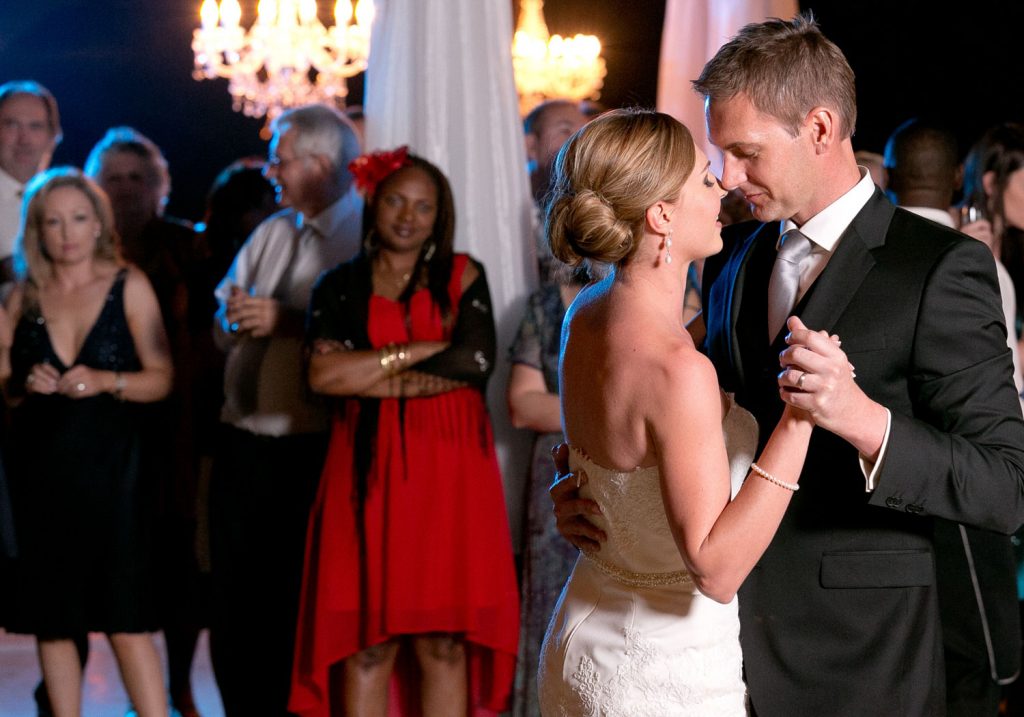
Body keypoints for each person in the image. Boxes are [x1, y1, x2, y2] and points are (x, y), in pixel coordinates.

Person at [553, 14, 1024, 716]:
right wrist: (603, 490)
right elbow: (675, 412)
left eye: (745, 153)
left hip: (858, 653)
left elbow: (1004, 485)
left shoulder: (940, 270)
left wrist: (866, 422)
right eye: (720, 156)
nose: (728, 178)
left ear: (821, 129)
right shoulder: (734, 255)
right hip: (710, 641)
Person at [536, 107, 815, 715]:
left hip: (584, 638)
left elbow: (611, 463)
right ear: (661, 215)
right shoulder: (679, 372)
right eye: (703, 180)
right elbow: (715, 571)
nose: (724, 188)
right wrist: (801, 419)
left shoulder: (585, 312)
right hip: (663, 675)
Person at [289, 149, 519, 717]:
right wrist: (415, 351)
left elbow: (475, 361)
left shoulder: (464, 273)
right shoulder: (338, 285)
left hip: (450, 475)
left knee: (441, 644)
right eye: (396, 200)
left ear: (439, 214)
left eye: (423, 205)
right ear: (374, 203)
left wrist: (367, 369)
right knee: (366, 646)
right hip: (361, 475)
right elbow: (322, 377)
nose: (408, 216)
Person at [0, 167, 173, 717]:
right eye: (53, 222)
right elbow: (4, 391)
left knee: (126, 621)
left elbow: (162, 378)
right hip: (42, 475)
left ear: (99, 224)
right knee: (54, 621)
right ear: (37, 230)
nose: (67, 232)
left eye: (78, 218)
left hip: (116, 476)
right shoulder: (20, 296)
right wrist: (22, 385)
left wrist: (107, 381)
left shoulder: (130, 283)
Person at [209, 103, 363, 717]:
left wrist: (285, 321)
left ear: (322, 164)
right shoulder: (274, 230)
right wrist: (233, 317)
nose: (270, 167)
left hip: (311, 449)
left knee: (288, 602)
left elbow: (362, 336)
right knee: (232, 599)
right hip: (241, 442)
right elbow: (224, 315)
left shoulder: (364, 235)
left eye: (281, 155)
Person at [886, 116, 1022, 717]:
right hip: (964, 487)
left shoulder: (871, 255)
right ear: (953, 184)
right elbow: (1003, 398)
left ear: (889, 178)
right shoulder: (985, 265)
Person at [85, 126, 203, 717]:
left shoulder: (189, 246)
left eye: (139, 178)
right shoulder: (78, 248)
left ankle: (174, 686)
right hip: (97, 430)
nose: (127, 189)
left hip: (175, 431)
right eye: (115, 177)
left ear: (160, 188)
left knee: (178, 569)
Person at [506, 263, 587, 717]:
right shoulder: (544, 304)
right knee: (555, 613)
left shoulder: (680, 289)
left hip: (634, 474)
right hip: (556, 474)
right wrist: (616, 405)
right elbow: (522, 405)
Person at [0, 81, 61, 282]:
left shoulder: (69, 198)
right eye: (11, 125)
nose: (24, 139)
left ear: (52, 137)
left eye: (36, 126)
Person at [524, 100, 588, 283]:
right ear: (531, 146)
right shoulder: (508, 211)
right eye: (565, 131)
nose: (579, 143)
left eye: (585, 134)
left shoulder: (591, 207)